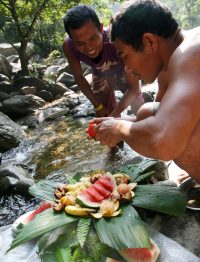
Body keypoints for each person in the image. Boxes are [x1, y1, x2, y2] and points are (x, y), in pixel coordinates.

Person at [92, 0, 200, 184]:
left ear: (149, 41)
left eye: (125, 55)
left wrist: (118, 129)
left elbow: (164, 141)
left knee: (184, 142)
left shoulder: (188, 55)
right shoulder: (173, 59)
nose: (127, 69)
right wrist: (117, 121)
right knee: (147, 112)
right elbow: (158, 118)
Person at [63, 4, 143, 117]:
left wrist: (113, 116)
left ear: (101, 29)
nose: (89, 48)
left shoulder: (115, 40)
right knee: (103, 115)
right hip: (100, 73)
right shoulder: (68, 46)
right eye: (80, 43)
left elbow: (134, 88)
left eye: (93, 38)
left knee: (141, 112)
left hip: (124, 70)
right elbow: (79, 77)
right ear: (72, 39)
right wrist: (98, 106)